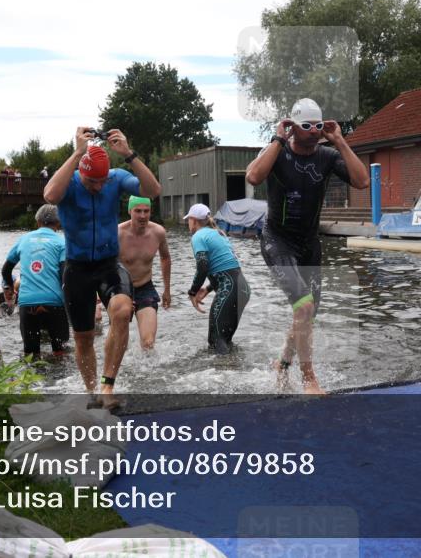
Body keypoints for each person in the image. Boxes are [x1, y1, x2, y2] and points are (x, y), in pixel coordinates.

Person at [245, 98, 369, 393]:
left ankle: (282, 365)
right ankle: (309, 378)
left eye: (318, 126)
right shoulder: (277, 152)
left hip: (309, 244)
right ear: (292, 127)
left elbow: (362, 181)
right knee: (304, 306)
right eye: (306, 126)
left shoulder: (326, 156)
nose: (313, 132)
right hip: (278, 241)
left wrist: (339, 140)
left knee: (306, 313)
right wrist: (277, 138)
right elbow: (252, 176)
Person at [43, 127, 160, 406]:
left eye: (102, 181)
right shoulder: (69, 183)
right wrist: (77, 152)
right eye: (92, 181)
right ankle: (92, 390)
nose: (98, 186)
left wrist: (128, 154)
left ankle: (107, 386)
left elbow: (153, 191)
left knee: (121, 310)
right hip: (77, 268)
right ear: (81, 172)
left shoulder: (115, 179)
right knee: (83, 338)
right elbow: (49, 195)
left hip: (109, 263)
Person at [0, 205, 68, 358]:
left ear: (37, 222)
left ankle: (31, 381)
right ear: (58, 224)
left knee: (30, 355)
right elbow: (65, 275)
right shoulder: (62, 242)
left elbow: (6, 270)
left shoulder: (23, 239)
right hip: (54, 302)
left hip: (27, 302)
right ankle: (62, 379)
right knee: (60, 352)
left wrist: (10, 289)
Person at [184, 204, 250, 354]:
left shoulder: (198, 236)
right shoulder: (219, 233)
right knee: (225, 340)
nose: (189, 223)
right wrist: (208, 289)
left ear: (193, 221)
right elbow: (227, 268)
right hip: (242, 288)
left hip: (230, 289)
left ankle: (222, 375)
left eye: (189, 220)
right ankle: (235, 370)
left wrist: (192, 291)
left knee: (216, 341)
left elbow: (202, 266)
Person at [117, 196, 171, 351]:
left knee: (148, 343)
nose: (142, 216)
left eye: (146, 211)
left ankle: (147, 374)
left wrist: (167, 289)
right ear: (129, 211)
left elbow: (165, 258)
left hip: (145, 287)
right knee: (120, 344)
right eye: (138, 211)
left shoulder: (158, 232)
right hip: (121, 290)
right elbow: (104, 263)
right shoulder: (117, 233)